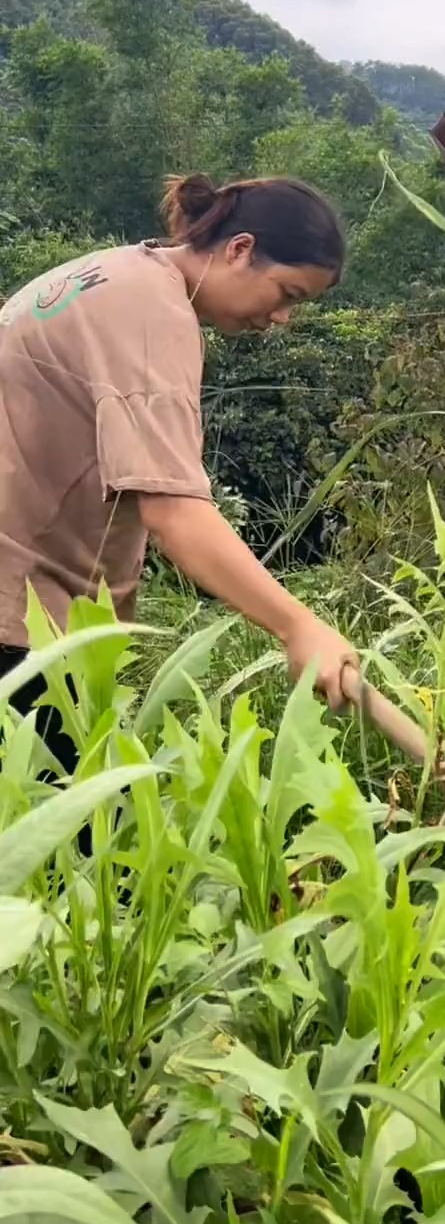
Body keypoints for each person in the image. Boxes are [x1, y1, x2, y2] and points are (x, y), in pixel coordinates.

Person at [0, 173, 362, 778]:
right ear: (240, 248)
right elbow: (174, 513)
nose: (282, 319)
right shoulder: (152, 311)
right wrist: (301, 627)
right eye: (286, 292)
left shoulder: (114, 273)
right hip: (22, 620)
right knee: (75, 858)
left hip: (33, 607)